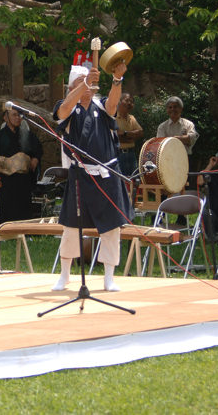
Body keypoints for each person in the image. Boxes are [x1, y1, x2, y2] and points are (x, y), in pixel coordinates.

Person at [52, 60, 130, 293]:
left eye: (88, 82)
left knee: (112, 228)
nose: (86, 86)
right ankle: (65, 274)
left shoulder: (100, 105)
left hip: (106, 174)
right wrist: (84, 83)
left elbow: (113, 104)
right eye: (79, 83)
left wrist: (117, 79)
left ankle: (109, 277)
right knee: (70, 227)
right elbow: (63, 110)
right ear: (71, 88)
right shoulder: (66, 107)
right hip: (81, 175)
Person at [0, 106, 42, 224]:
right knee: (5, 209)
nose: (18, 118)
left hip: (23, 181)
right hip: (5, 181)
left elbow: (38, 149)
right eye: (14, 115)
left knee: (23, 210)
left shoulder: (27, 135)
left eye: (20, 115)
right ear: (5, 117)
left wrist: (35, 159)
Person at [115, 93, 144, 177]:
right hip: (118, 155)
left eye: (131, 102)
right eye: (127, 100)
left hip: (131, 154)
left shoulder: (131, 118)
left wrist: (124, 133)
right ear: (119, 101)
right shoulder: (113, 117)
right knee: (120, 180)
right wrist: (131, 137)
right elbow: (115, 137)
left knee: (134, 179)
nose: (129, 103)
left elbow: (141, 133)